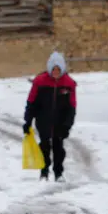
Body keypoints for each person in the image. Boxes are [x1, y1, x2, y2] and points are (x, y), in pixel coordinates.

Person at [22, 51, 77, 182]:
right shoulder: (40, 82)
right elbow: (31, 102)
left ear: (62, 69)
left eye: (58, 69)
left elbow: (72, 107)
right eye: (54, 69)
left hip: (60, 122)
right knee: (44, 146)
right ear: (49, 69)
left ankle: (58, 173)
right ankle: (44, 172)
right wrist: (28, 121)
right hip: (43, 120)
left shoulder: (68, 84)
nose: (56, 72)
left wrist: (67, 125)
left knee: (58, 147)